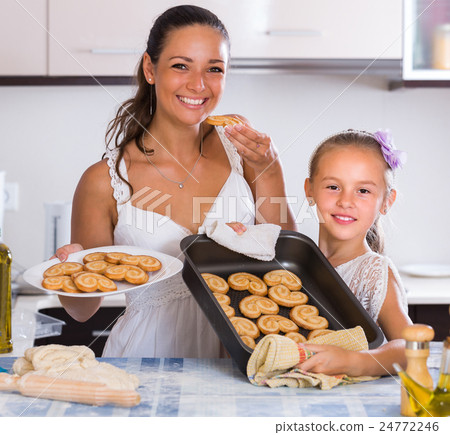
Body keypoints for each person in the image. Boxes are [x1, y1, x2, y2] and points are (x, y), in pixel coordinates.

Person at [55, 5, 296, 358]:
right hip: (144, 360)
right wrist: (68, 271)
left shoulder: (243, 147)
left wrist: (271, 170)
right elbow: (82, 310)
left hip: (241, 359)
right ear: (150, 69)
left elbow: (286, 269)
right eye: (181, 65)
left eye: (214, 69)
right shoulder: (104, 181)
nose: (198, 85)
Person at [300, 129, 412, 376]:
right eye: (332, 186)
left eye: (363, 191)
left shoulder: (373, 272)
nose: (345, 201)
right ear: (310, 190)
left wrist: (355, 361)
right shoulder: (297, 260)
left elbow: (410, 347)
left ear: (386, 201)